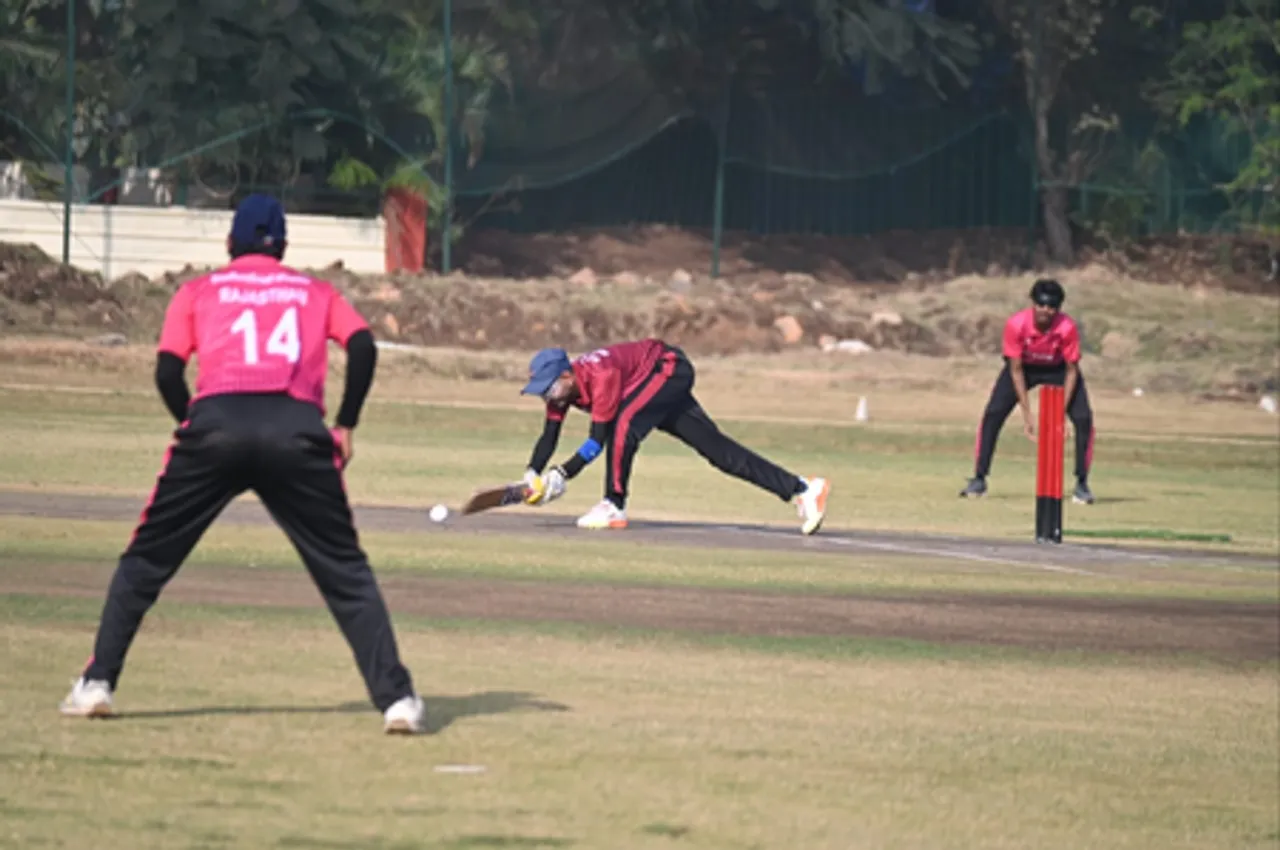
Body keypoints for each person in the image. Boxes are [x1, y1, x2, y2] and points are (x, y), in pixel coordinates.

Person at [59, 194, 426, 735]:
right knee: (344, 571)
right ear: (283, 247)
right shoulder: (314, 291)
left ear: (230, 243)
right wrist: (345, 424)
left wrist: (196, 426)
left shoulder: (199, 290)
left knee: (145, 561)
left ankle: (96, 685)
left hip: (216, 424)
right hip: (296, 429)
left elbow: (166, 372)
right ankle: (397, 702)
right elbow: (364, 346)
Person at [517, 339, 831, 533]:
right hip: (647, 388)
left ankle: (613, 504)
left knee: (623, 423)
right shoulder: (561, 393)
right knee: (719, 453)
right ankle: (802, 488)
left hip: (668, 368)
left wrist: (561, 474)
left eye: (550, 387)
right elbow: (550, 435)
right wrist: (533, 474)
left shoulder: (601, 377)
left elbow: (597, 440)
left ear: (566, 375)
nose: (547, 395)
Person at [960, 278, 1096, 504]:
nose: (1046, 311)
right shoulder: (1016, 324)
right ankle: (979, 479)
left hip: (1059, 369)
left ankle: (1082, 483)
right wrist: (1027, 415)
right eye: (1041, 305)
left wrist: (1059, 415)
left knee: (1083, 419)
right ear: (1033, 304)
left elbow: (1072, 371)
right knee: (993, 414)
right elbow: (1015, 369)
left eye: (1052, 307)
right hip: (1025, 367)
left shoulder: (1066, 327)